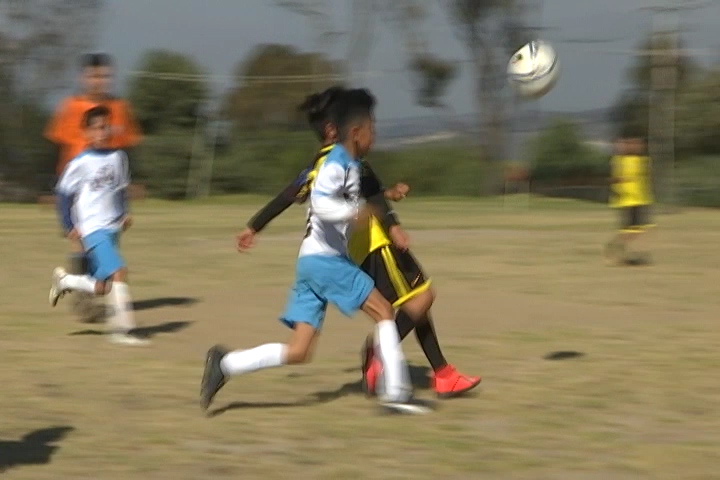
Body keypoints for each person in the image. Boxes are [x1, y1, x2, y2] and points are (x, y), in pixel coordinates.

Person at [236, 86, 480, 398]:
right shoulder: (342, 161)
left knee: (416, 299)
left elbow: (294, 195)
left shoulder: (320, 165)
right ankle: (382, 355)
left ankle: (442, 372)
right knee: (420, 298)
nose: (369, 128)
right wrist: (392, 227)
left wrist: (254, 226)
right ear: (334, 128)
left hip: (361, 246)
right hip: (375, 243)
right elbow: (367, 195)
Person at [200, 89, 430, 414]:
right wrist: (355, 213)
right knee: (384, 312)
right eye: (371, 128)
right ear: (353, 132)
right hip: (325, 261)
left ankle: (226, 364)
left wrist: (381, 197)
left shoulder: (348, 164)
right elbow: (321, 203)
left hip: (309, 263)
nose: (375, 134)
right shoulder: (335, 163)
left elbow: (360, 194)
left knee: (300, 351)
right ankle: (396, 395)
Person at [44, 53, 142, 321]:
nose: (99, 81)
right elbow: (61, 148)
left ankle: (77, 287)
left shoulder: (118, 108)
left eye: (104, 75)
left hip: (107, 193)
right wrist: (64, 197)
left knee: (101, 259)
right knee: (84, 248)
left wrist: (125, 198)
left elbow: (124, 150)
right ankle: (85, 307)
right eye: (94, 75)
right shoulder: (71, 106)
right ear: (84, 77)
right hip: (81, 193)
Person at [48, 106, 148, 346]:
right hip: (92, 229)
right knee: (119, 272)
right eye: (98, 128)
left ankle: (65, 281)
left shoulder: (119, 158)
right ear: (87, 132)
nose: (103, 132)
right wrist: (68, 224)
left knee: (102, 287)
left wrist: (125, 213)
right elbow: (62, 193)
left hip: (113, 228)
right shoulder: (80, 163)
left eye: (106, 126)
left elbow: (121, 189)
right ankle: (122, 331)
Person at [605, 133, 655, 265]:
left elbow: (647, 179)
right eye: (633, 144)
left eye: (639, 144)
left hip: (641, 200)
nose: (638, 146)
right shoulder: (619, 161)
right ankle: (615, 248)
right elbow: (614, 179)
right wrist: (620, 184)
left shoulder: (644, 161)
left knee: (639, 230)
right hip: (627, 201)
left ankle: (622, 251)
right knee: (629, 230)